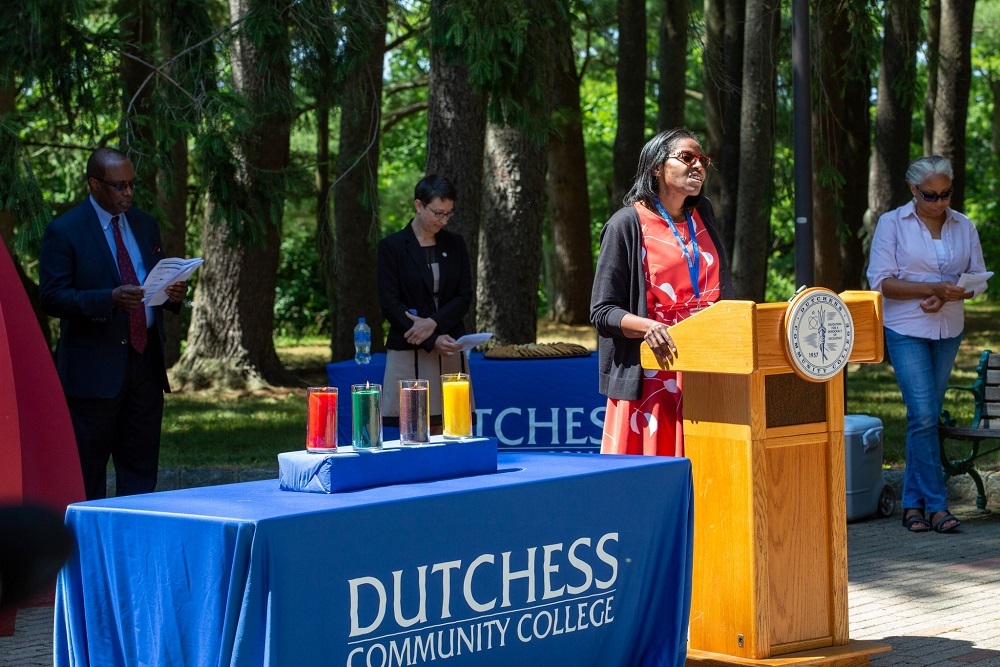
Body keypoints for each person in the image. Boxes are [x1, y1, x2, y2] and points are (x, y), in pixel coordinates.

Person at [39, 147, 188, 500]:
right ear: (94, 184)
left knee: (140, 468)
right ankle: (87, 548)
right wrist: (108, 298)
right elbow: (52, 297)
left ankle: (133, 542)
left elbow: (151, 283)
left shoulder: (144, 224)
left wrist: (173, 293)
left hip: (145, 365)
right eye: (119, 186)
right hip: (94, 372)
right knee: (87, 471)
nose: (129, 193)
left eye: (132, 185)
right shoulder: (65, 231)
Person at [591, 128, 735, 457]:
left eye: (703, 160)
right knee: (652, 480)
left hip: (708, 366)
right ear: (657, 167)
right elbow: (602, 312)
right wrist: (649, 327)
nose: (698, 165)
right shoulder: (626, 224)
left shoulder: (704, 214)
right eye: (686, 157)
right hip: (655, 372)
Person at [867, 155, 988, 534]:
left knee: (926, 419)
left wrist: (951, 294)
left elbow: (978, 279)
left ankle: (912, 506)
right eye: (930, 195)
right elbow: (881, 282)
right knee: (922, 415)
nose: (939, 202)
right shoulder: (892, 224)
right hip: (905, 329)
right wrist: (931, 289)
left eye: (945, 194)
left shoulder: (963, 225)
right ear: (912, 190)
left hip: (948, 328)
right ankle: (937, 505)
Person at [377, 174, 473, 432]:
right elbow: (389, 302)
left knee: (454, 426)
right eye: (438, 213)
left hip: (450, 347)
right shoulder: (392, 247)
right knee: (412, 427)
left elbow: (464, 296)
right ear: (418, 205)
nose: (444, 220)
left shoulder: (455, 244)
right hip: (408, 348)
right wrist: (430, 339)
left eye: (449, 214)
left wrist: (434, 325)